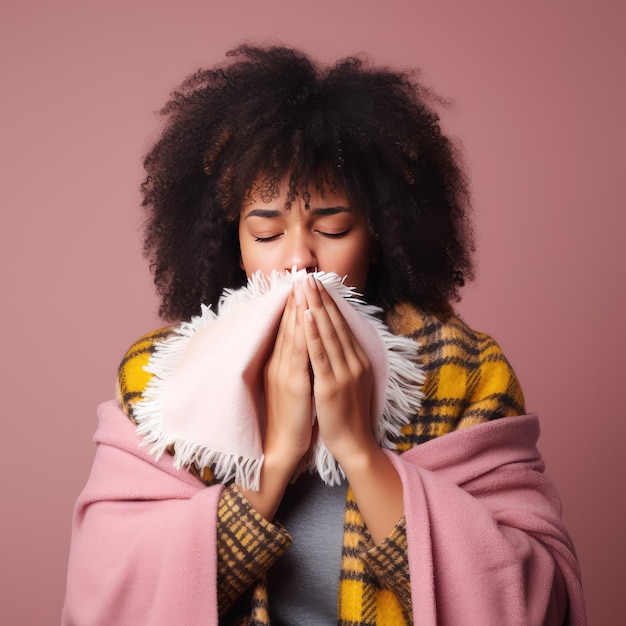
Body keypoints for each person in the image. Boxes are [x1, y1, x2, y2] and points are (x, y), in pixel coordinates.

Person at [62, 45, 585, 625]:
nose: (299, 262)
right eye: (266, 234)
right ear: (232, 245)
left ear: (380, 234)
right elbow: (107, 601)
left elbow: (536, 606)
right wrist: (278, 456)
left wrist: (361, 451)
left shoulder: (465, 371)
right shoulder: (161, 384)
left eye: (331, 227)